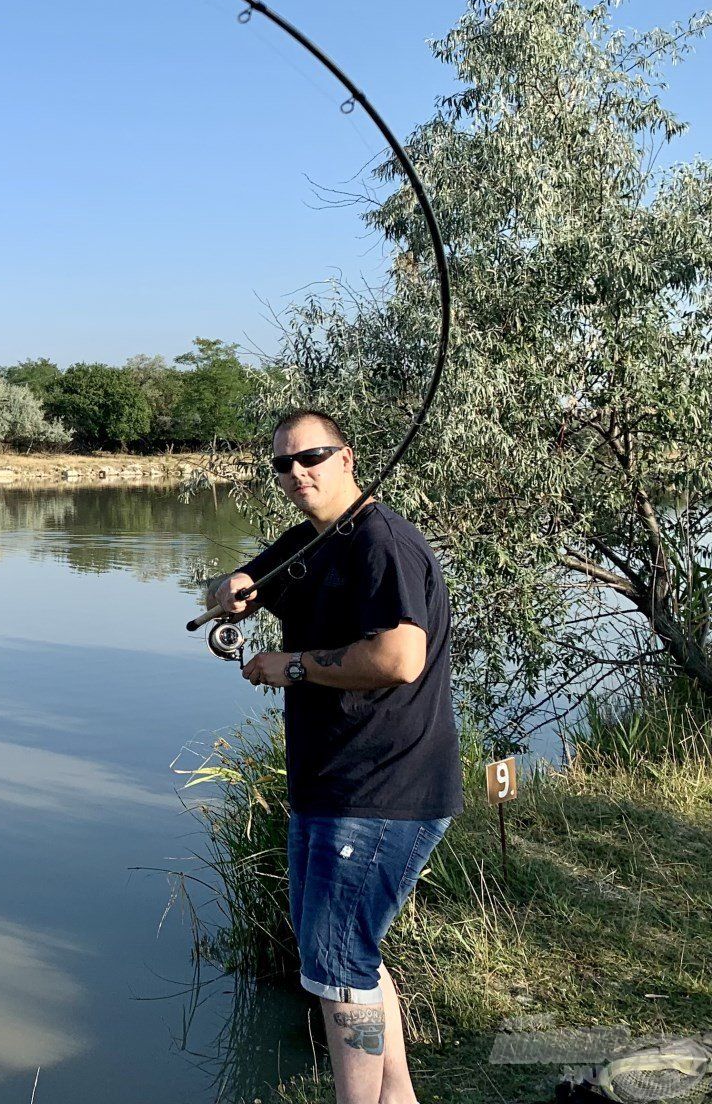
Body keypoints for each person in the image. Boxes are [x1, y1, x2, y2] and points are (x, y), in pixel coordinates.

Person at [212, 409, 463, 1104]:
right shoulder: (311, 542)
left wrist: (288, 666)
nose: (297, 473)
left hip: (382, 790)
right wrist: (230, 588)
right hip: (331, 787)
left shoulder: (381, 542)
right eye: (281, 465)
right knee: (351, 954)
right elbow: (241, 586)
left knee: (337, 966)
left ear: (346, 457)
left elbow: (398, 657)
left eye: (310, 457)